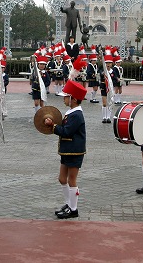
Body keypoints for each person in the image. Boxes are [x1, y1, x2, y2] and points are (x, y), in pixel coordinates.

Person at [44, 79, 87, 219]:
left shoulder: (77, 115)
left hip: (75, 151)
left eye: (66, 97)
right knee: (62, 178)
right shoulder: (71, 112)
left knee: (71, 180)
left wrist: (53, 126)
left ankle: (73, 209)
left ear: (73, 99)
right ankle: (69, 203)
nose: (64, 99)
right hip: (67, 150)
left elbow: (67, 131)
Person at [99, 51, 115, 123]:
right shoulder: (102, 71)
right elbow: (100, 75)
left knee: (110, 102)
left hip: (111, 88)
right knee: (104, 103)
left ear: (112, 64)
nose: (108, 64)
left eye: (109, 63)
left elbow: (115, 79)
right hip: (104, 87)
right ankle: (104, 117)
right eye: (106, 63)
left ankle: (108, 117)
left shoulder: (113, 71)